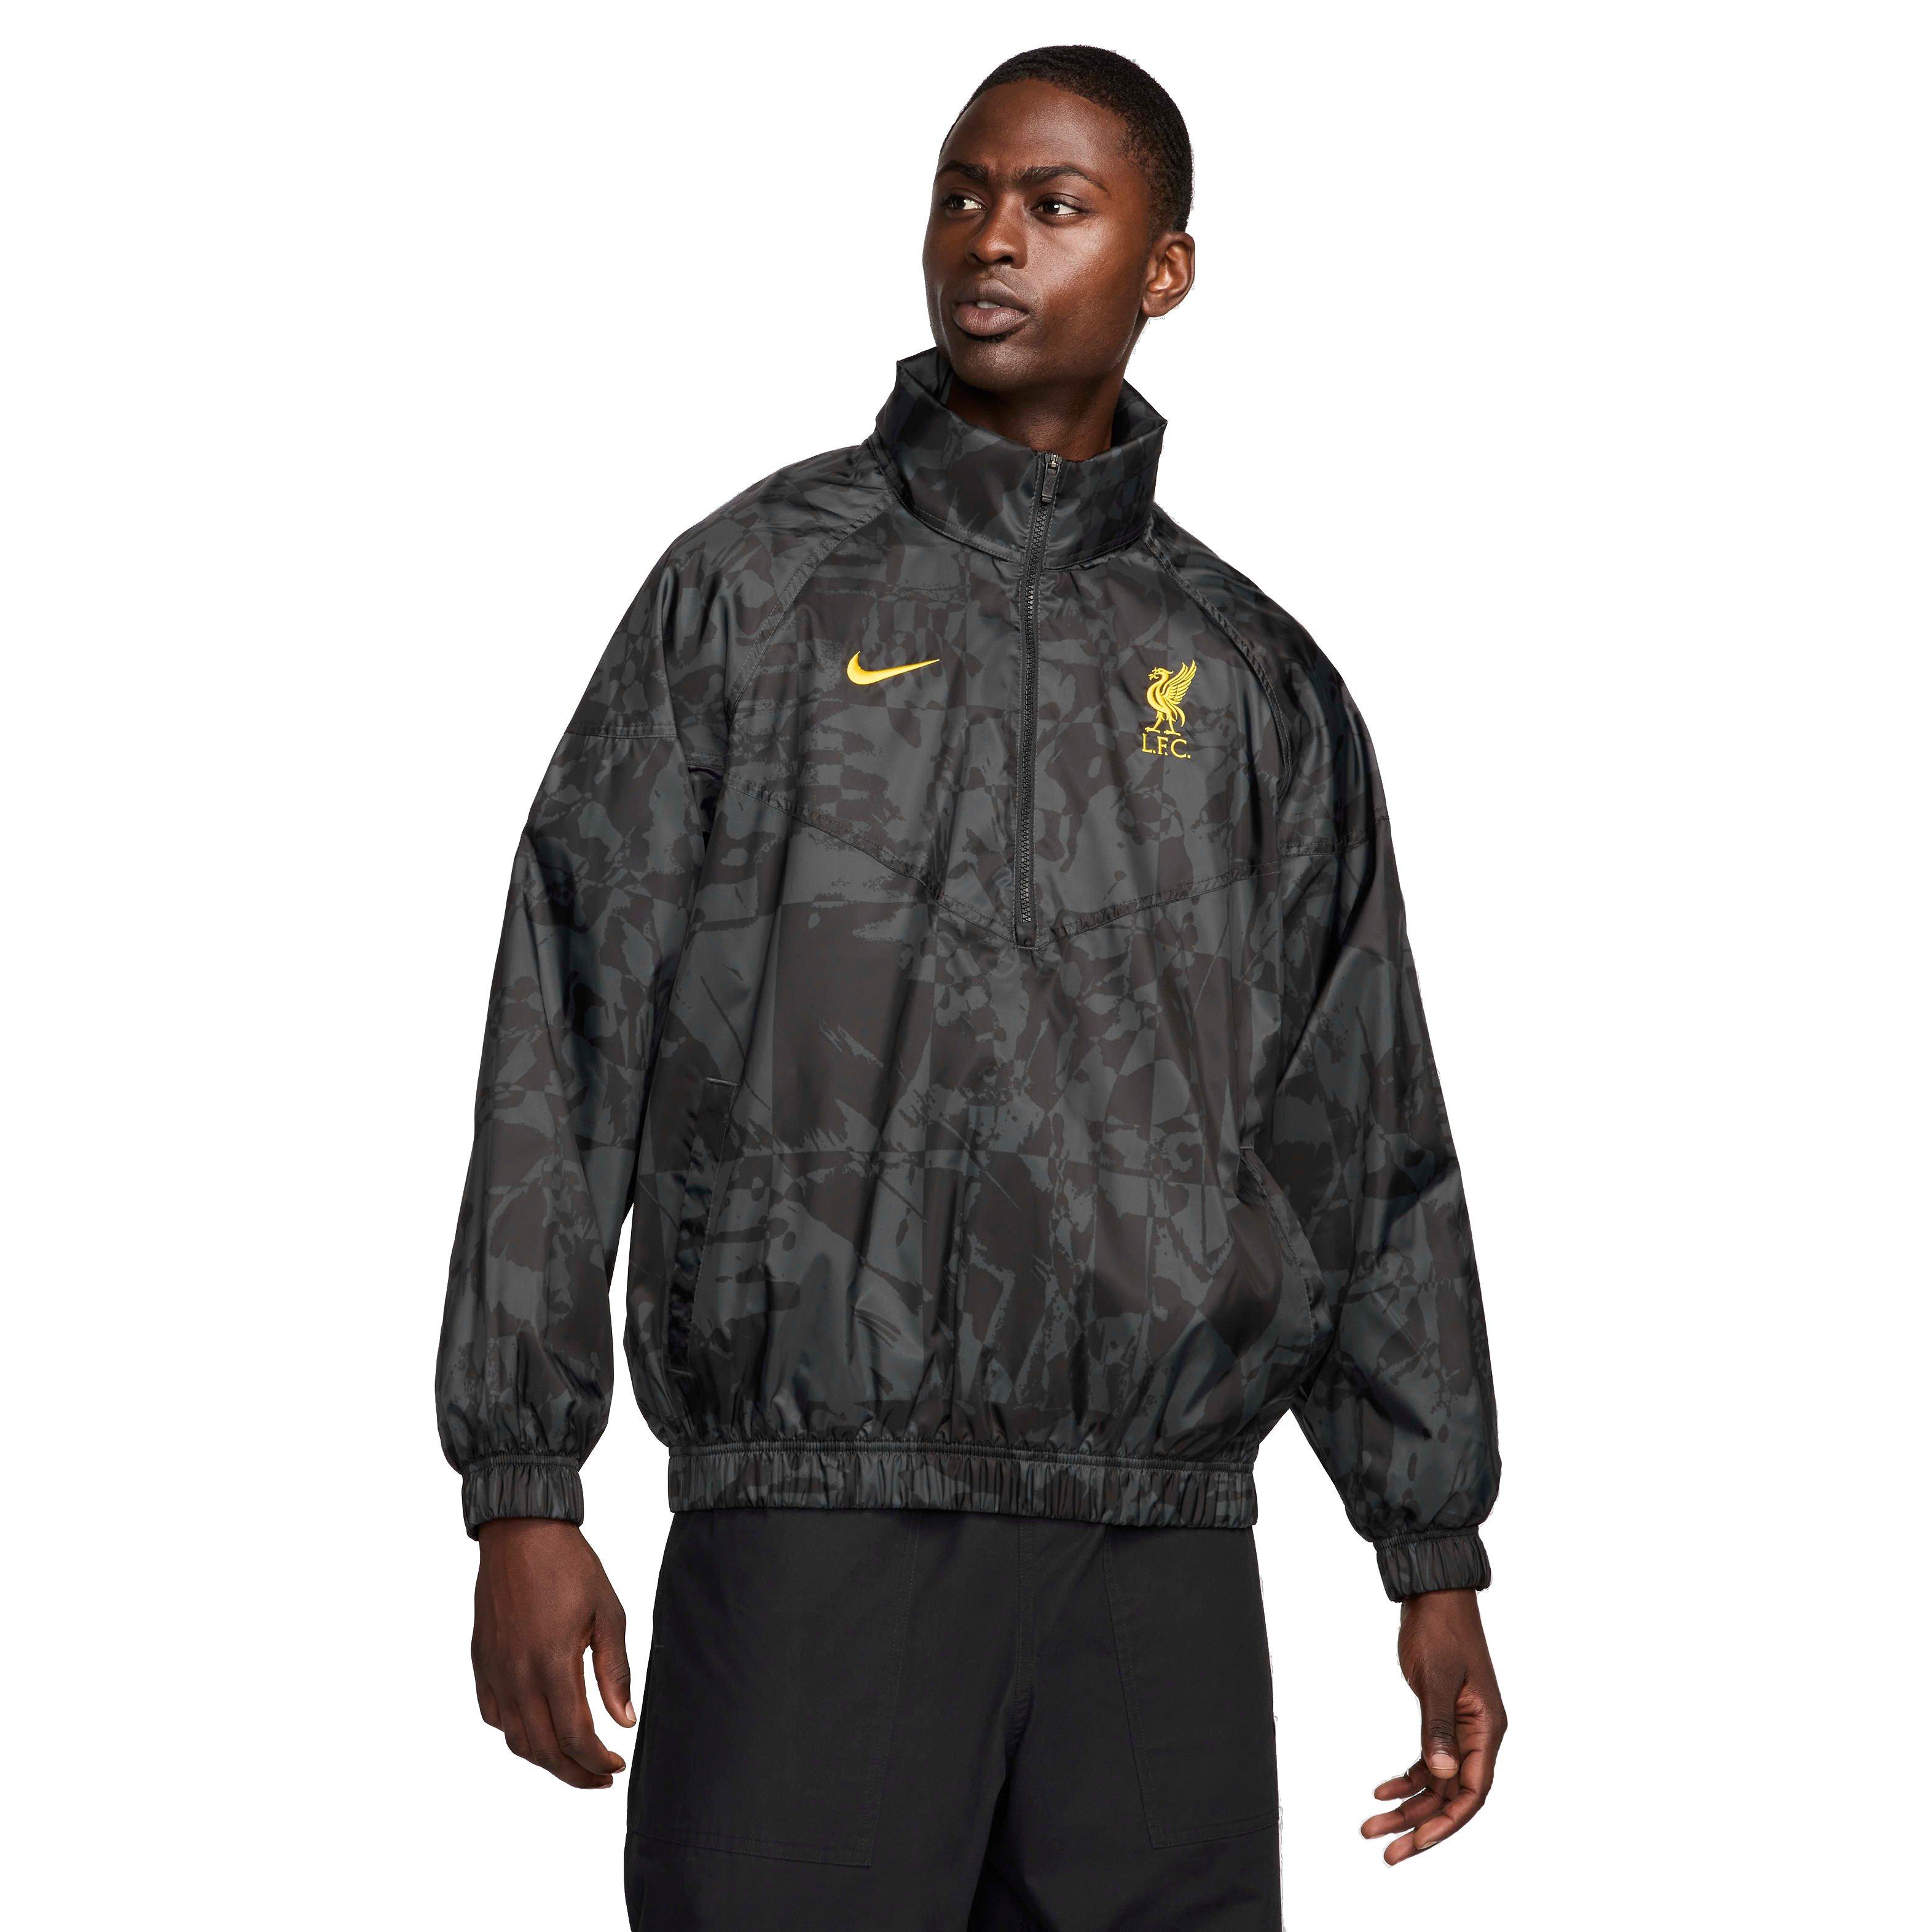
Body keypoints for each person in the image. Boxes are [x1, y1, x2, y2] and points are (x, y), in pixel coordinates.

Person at [437, 43, 1504, 1931]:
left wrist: (1431, 1552)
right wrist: (526, 1480)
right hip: (813, 1526)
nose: (989, 239)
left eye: (1053, 205)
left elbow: (1361, 1123)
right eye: (961, 194)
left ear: (1165, 267)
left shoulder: (1254, 679)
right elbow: (571, 1017)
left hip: (1155, 1558)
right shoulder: (755, 594)